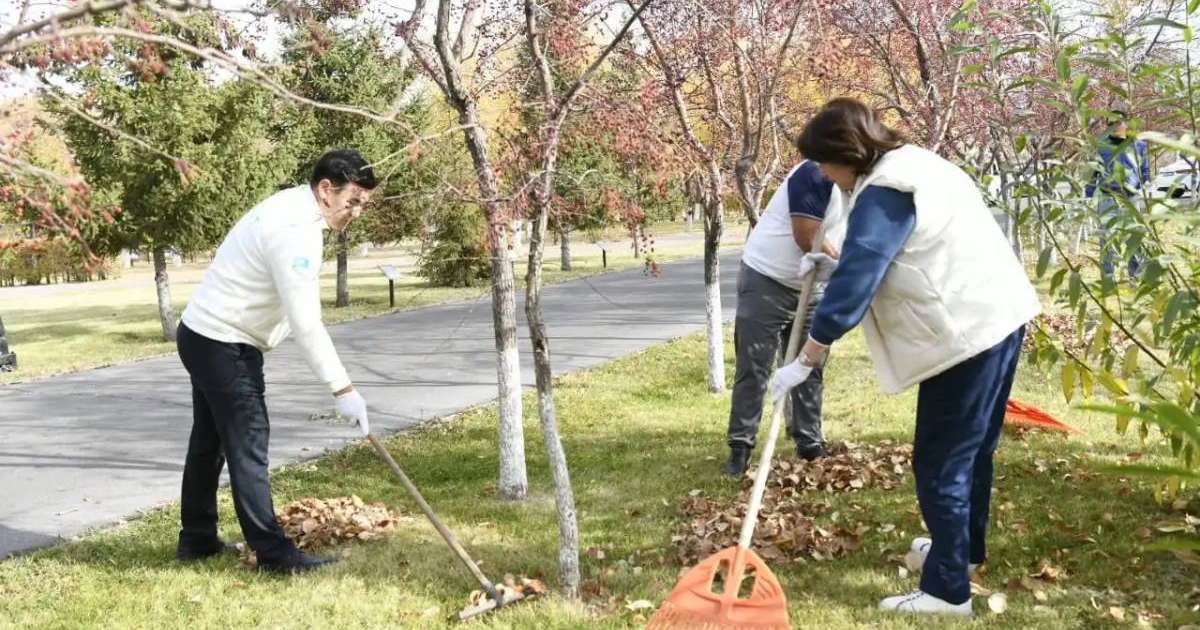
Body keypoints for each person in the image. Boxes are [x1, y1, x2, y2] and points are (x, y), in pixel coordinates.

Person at [773, 98, 1040, 616]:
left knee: (941, 462)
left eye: (826, 164)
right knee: (971, 451)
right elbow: (879, 244)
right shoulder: (910, 163)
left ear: (846, 153)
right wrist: (831, 261)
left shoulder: (889, 189)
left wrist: (807, 356)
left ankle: (947, 593)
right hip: (997, 313)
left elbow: (860, 277)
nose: (825, 176)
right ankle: (960, 554)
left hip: (968, 333)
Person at [175, 149, 376, 573]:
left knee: (209, 442)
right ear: (326, 189)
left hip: (204, 334)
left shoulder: (297, 209)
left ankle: (196, 540)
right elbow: (306, 322)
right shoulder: (296, 230)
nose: (356, 211)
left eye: (363, 204)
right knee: (249, 439)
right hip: (220, 341)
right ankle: (275, 555)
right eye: (353, 200)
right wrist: (343, 390)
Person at [723, 161, 844, 477]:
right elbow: (807, 235)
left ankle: (809, 443)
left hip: (813, 283)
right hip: (766, 278)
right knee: (754, 365)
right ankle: (740, 446)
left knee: (810, 363)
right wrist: (845, 267)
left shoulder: (864, 184)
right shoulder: (814, 173)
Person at [1085, 109, 1149, 279]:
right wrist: (1089, 194)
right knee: (1107, 237)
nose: (1116, 126)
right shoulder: (1100, 145)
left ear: (1126, 123)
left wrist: (1144, 186)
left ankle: (1136, 275)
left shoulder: (1139, 145)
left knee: (1133, 237)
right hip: (1108, 197)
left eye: (1119, 122)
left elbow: (1144, 170)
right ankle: (1108, 277)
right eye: (1111, 123)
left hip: (1131, 197)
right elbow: (1093, 171)